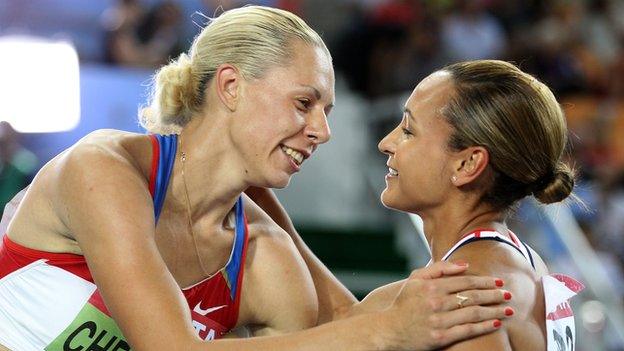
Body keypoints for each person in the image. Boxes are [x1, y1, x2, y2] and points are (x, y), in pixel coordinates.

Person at [0, 7, 513, 351]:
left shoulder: (266, 259)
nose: (322, 131)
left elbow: (341, 319)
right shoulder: (104, 169)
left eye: (327, 111)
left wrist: (437, 305)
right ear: (230, 86)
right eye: (304, 103)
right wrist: (386, 329)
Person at [249, 60, 585, 351]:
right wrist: (254, 192)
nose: (386, 142)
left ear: (467, 164)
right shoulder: (508, 264)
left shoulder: (466, 299)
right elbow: (347, 318)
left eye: (408, 130)